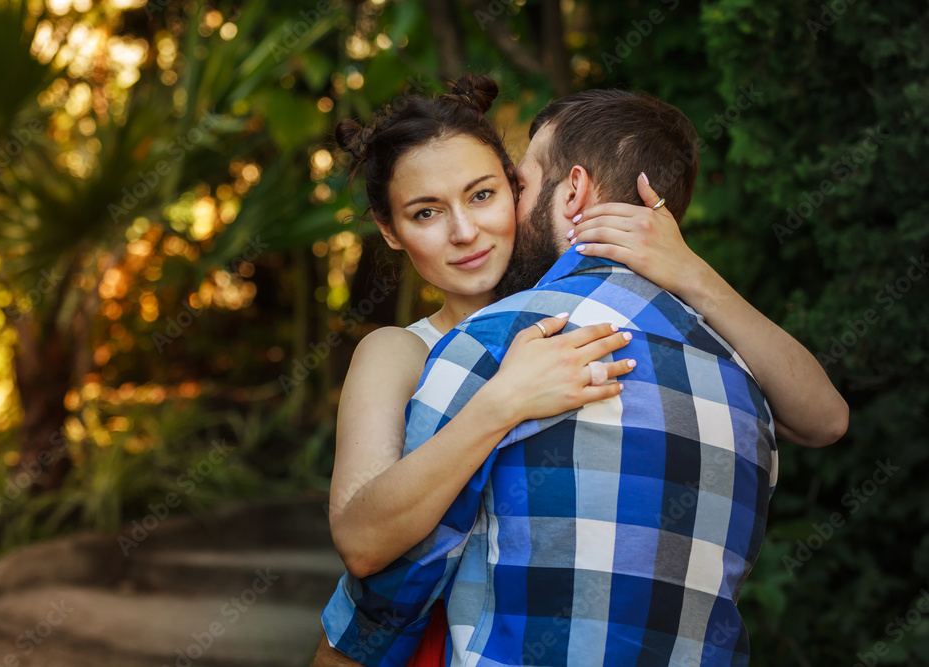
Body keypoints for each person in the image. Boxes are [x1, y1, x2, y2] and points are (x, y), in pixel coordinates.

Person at [315, 80, 848, 667]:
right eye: (426, 213)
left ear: (519, 190)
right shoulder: (399, 350)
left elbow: (823, 418)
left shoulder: (614, 320)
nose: (464, 232)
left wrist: (693, 273)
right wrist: (503, 402)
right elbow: (361, 545)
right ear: (390, 231)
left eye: (485, 194)